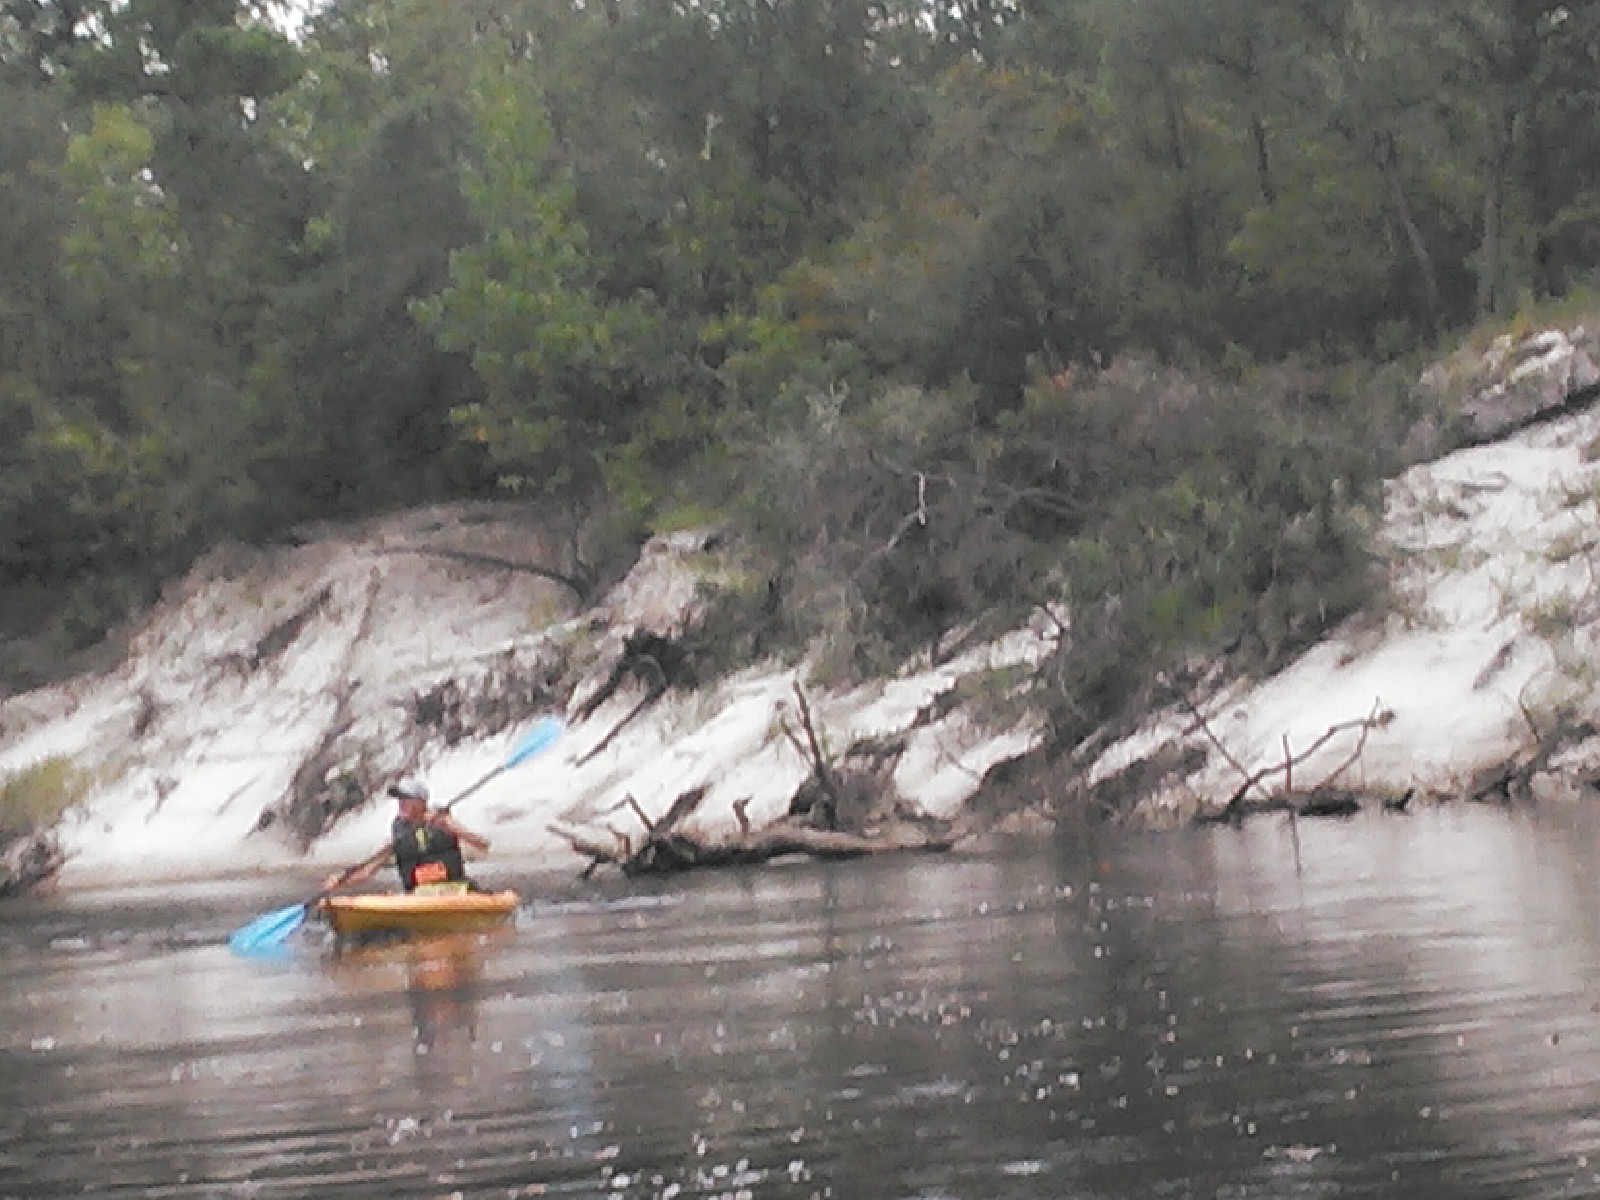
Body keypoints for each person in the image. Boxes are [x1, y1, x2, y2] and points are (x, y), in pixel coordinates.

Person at [328, 777, 491, 894]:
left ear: (420, 802)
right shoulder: (398, 834)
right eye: (399, 799)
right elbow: (367, 871)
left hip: (455, 891)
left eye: (406, 799)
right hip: (418, 895)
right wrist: (341, 882)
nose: (401, 803)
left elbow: (483, 845)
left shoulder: (443, 822)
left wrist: (449, 826)